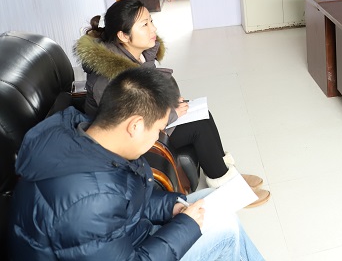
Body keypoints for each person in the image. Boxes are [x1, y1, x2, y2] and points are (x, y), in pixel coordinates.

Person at [9, 66, 264, 260]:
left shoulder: (87, 137)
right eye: (159, 130)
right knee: (226, 230)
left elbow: (129, 200)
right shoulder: (88, 202)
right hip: (126, 249)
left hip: (124, 239)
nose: (158, 138)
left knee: (212, 203)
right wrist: (186, 226)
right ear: (135, 125)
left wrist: (170, 208)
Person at [74, 0, 270, 205]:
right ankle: (228, 188)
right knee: (199, 127)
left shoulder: (133, 54)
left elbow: (146, 94)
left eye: (151, 21)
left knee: (202, 113)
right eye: (145, 25)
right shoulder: (107, 78)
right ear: (123, 36)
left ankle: (223, 171)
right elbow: (125, 126)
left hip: (143, 119)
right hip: (125, 141)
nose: (153, 28)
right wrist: (171, 113)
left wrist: (167, 100)